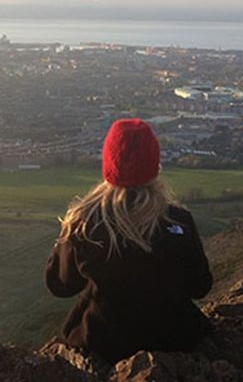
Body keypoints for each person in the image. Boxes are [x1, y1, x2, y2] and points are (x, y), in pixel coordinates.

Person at [45, 118, 213, 364]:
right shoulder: (179, 221)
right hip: (176, 340)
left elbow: (60, 286)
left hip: (100, 343)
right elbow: (200, 287)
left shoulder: (84, 224)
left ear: (109, 163)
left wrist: (64, 241)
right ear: (154, 165)